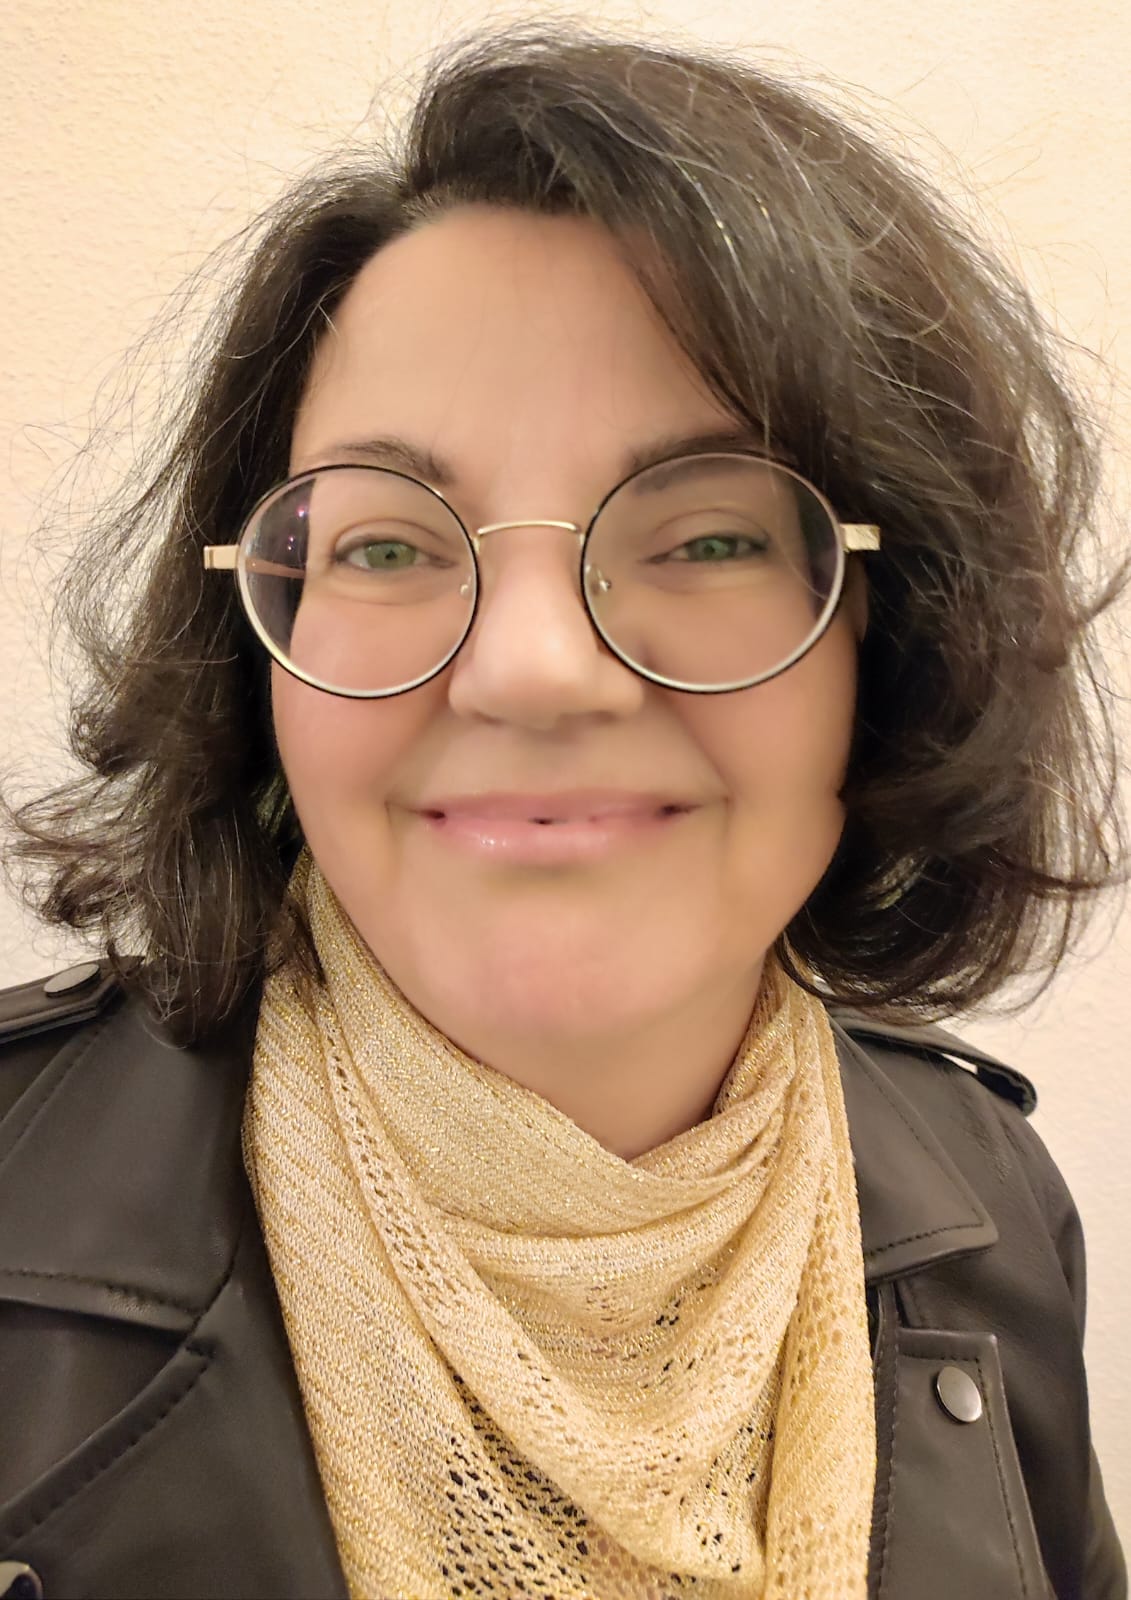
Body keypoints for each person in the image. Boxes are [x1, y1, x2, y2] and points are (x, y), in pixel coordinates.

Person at [0, 24, 1125, 1600]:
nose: (533, 670)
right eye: (387, 546)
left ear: (897, 635)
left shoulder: (996, 1204)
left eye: (711, 537)